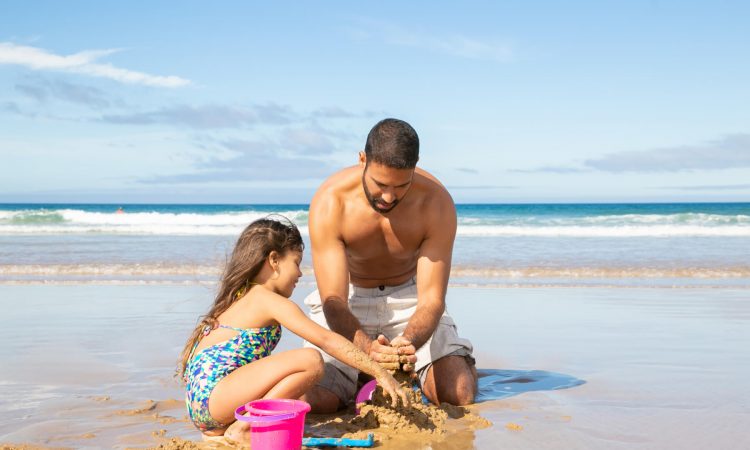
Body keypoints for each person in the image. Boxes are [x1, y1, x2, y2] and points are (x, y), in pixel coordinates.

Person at [301, 118, 476, 413]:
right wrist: (367, 350)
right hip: (349, 300)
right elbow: (333, 300)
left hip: (410, 300)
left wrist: (409, 341)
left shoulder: (436, 202)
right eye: (380, 184)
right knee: (315, 402)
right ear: (362, 160)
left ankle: (438, 366)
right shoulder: (331, 202)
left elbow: (432, 299)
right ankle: (361, 377)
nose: (388, 196)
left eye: (401, 185)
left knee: (459, 394)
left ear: (415, 166)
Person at [178, 217, 409, 441]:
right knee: (311, 360)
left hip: (206, 407)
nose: (299, 273)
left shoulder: (240, 297)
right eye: (296, 263)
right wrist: (380, 372)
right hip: (215, 397)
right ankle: (245, 427)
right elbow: (325, 339)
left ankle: (234, 426)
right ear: (274, 260)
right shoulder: (266, 299)